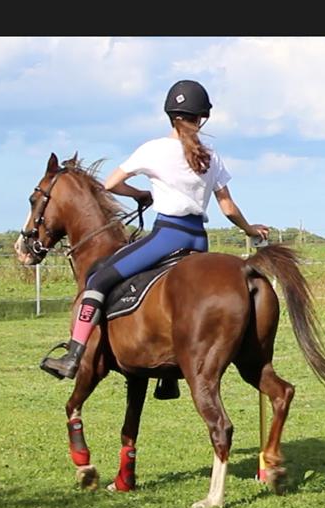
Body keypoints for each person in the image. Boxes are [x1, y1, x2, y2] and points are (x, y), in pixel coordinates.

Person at [40, 79, 270, 382]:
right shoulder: (211, 156)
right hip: (198, 240)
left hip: (167, 236)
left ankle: (73, 355)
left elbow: (109, 184)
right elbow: (227, 207)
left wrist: (139, 195)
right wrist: (250, 228)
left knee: (97, 279)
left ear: (170, 115)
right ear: (202, 117)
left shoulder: (153, 149)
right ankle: (166, 379)